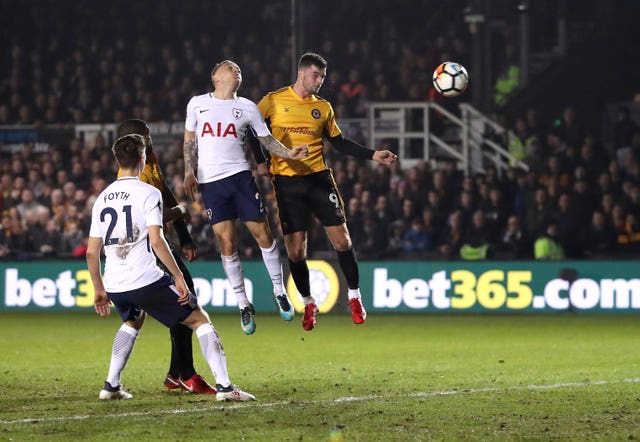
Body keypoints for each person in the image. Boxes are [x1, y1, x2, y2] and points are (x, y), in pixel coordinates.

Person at [87, 134, 255, 402]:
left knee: (133, 320)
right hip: (145, 278)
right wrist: (177, 277)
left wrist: (98, 288)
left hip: (116, 283)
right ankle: (225, 388)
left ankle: (111, 385)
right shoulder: (149, 192)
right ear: (142, 160)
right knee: (199, 319)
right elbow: (157, 239)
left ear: (117, 160)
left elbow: (91, 251)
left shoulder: (102, 198)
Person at [256, 52, 397, 331]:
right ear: (302, 73)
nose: (320, 81)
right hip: (286, 183)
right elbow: (253, 131)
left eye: (322, 77)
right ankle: (308, 302)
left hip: (319, 179)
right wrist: (261, 161)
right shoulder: (272, 100)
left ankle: (354, 298)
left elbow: (340, 142)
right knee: (295, 251)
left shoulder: (323, 107)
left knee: (342, 241)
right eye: (315, 75)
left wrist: (373, 155)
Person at [182, 60, 309, 335]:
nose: (236, 70)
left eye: (238, 69)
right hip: (211, 183)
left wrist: (288, 153)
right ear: (215, 75)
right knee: (227, 243)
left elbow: (265, 139)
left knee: (263, 234)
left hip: (240, 177)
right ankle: (243, 304)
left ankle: (279, 291)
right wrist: (188, 171)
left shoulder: (248, 107)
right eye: (230, 67)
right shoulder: (197, 104)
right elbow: (190, 140)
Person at [116, 119, 215, 394]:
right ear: (139, 140)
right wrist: (181, 212)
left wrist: (183, 235)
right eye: (146, 137)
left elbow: (166, 195)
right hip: (146, 245)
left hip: (158, 240)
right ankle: (185, 373)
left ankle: (176, 373)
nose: (150, 141)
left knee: (185, 295)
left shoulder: (149, 163)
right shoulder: (137, 175)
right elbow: (155, 215)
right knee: (184, 299)